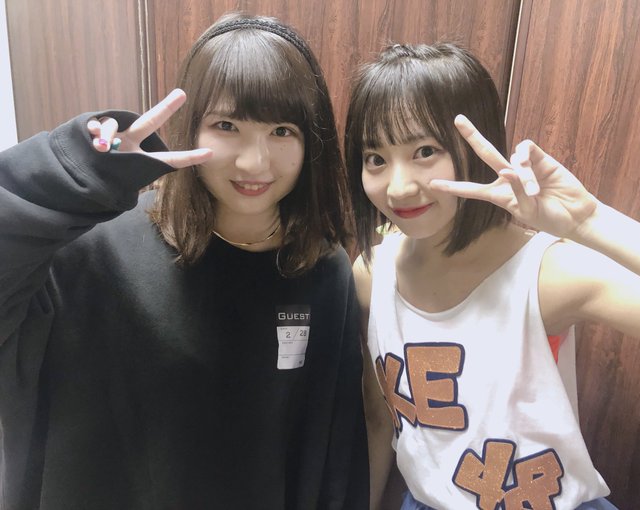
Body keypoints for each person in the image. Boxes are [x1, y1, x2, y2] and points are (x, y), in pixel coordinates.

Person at [0, 12, 368, 509]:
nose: (254, 162)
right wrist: (74, 174)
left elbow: (334, 450)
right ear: (191, 127)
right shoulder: (96, 249)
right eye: (226, 126)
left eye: (282, 130)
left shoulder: (322, 268)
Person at [345, 42, 640, 510]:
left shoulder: (545, 273)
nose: (398, 187)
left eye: (424, 151)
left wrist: (591, 221)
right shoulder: (371, 275)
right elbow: (379, 418)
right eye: (376, 159)